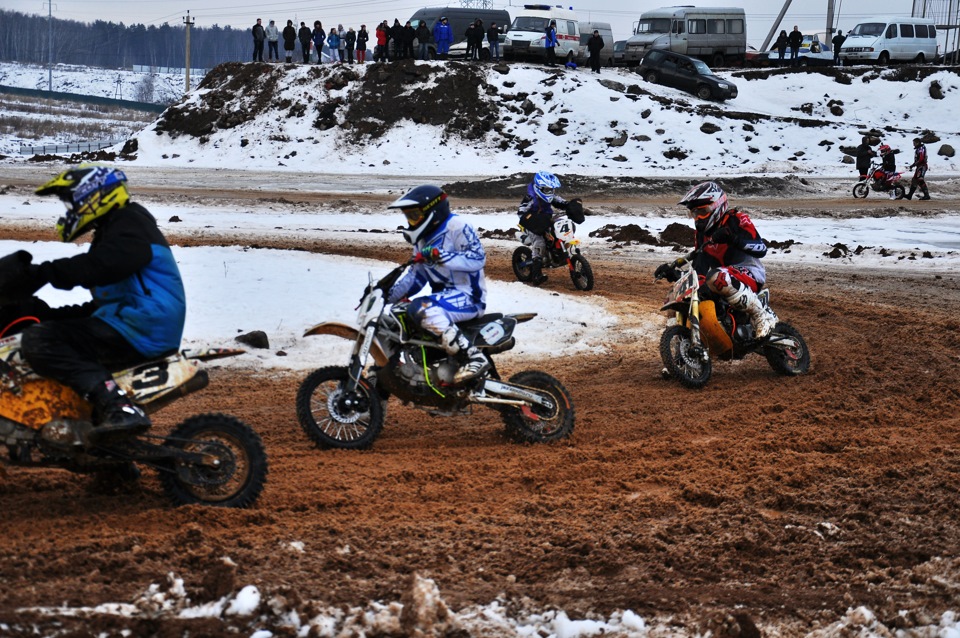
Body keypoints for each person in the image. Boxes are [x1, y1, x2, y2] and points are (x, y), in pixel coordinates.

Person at [16, 165, 186, 440]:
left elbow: (101, 266)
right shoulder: (116, 230)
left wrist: (43, 274)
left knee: (42, 341)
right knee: (48, 330)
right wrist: (42, 312)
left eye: (71, 201)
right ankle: (111, 456)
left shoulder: (130, 224)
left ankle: (120, 408)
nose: (70, 209)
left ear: (93, 196)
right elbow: (103, 304)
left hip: (144, 326)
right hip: (133, 322)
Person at [386, 185, 490, 384]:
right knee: (397, 315)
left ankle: (473, 356)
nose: (411, 222)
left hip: (468, 296)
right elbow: (415, 278)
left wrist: (441, 256)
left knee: (422, 308)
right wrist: (384, 293)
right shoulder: (421, 241)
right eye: (408, 217)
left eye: (415, 215)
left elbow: (478, 259)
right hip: (444, 299)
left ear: (432, 211)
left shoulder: (457, 226)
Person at [656, 181, 777, 339]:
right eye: (694, 213)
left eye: (703, 212)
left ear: (716, 206)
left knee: (717, 276)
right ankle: (681, 346)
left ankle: (761, 315)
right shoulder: (702, 234)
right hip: (719, 278)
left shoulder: (736, 220)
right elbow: (699, 270)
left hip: (749, 273)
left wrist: (733, 238)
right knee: (676, 294)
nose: (698, 218)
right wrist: (676, 275)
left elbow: (761, 249)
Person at [516, 171, 584, 286]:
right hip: (532, 223)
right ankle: (536, 275)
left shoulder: (550, 196)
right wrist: (533, 219)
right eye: (547, 189)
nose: (550, 192)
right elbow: (521, 213)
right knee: (540, 242)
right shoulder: (530, 197)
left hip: (547, 219)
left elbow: (561, 202)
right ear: (539, 188)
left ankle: (557, 253)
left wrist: (571, 207)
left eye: (551, 189)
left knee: (565, 226)